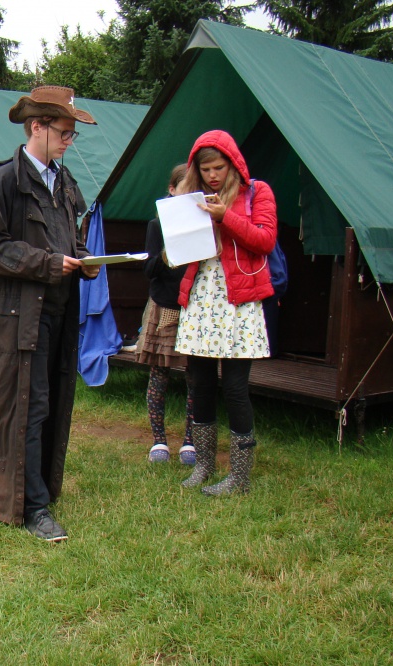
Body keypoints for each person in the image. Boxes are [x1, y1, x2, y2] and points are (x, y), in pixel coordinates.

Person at [0, 86, 101, 542]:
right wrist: (46, 264)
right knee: (28, 406)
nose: (69, 141)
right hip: (14, 318)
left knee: (49, 400)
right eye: (64, 132)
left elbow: (67, 239)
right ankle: (32, 507)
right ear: (37, 126)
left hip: (55, 314)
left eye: (73, 134)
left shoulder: (64, 181)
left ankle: (34, 489)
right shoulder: (3, 180)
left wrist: (84, 259)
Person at [175, 130, 277, 496]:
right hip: (202, 299)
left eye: (219, 167)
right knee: (200, 384)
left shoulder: (257, 192)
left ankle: (239, 477)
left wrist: (225, 217)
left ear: (233, 164)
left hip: (239, 301)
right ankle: (204, 465)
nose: (213, 175)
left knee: (234, 388)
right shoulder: (191, 197)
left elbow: (265, 240)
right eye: (205, 170)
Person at [137, 164, 195, 464]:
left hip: (195, 307)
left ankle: (190, 442)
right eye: (185, 187)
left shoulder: (205, 223)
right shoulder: (156, 225)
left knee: (196, 377)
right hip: (165, 306)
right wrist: (168, 249)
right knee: (160, 373)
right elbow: (149, 269)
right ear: (171, 190)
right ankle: (159, 441)